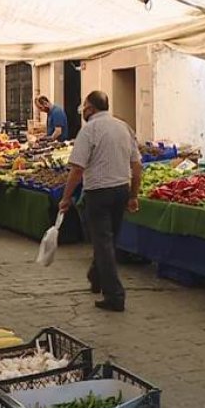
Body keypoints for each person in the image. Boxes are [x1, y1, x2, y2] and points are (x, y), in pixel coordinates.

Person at [59, 91, 142, 312]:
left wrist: (65, 198)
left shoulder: (89, 130)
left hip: (98, 193)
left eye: (84, 106)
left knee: (103, 242)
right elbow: (137, 165)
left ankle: (115, 295)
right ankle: (96, 277)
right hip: (121, 189)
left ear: (90, 108)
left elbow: (77, 169)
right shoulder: (124, 127)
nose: (83, 111)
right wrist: (133, 195)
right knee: (108, 240)